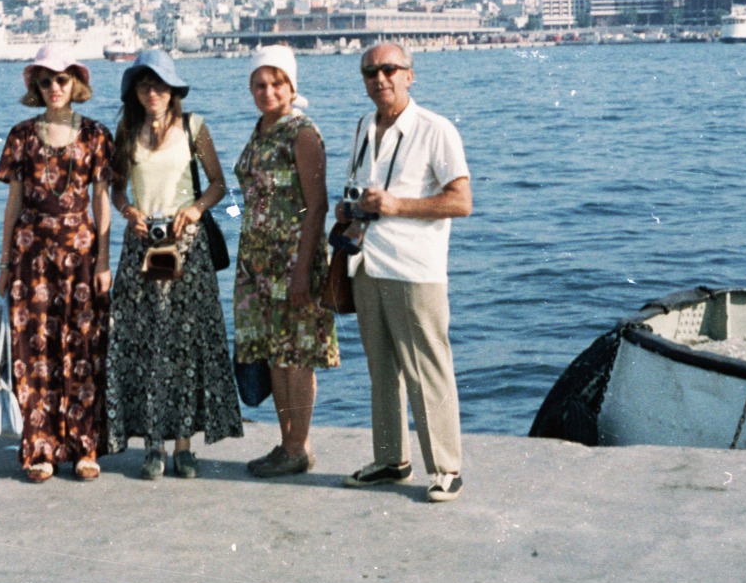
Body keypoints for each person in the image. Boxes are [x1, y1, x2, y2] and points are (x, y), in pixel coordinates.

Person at [338, 43, 472, 504]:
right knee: (382, 369)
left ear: (410, 75)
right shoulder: (363, 127)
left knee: (427, 369)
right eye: (371, 72)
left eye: (390, 69)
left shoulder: (436, 130)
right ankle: (391, 460)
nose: (381, 79)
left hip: (415, 269)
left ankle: (446, 468)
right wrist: (350, 209)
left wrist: (396, 206)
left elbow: (461, 201)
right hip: (368, 262)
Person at [105, 49, 242, 478]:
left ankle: (183, 445)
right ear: (136, 91)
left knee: (186, 349)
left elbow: (220, 184)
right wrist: (129, 212)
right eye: (146, 84)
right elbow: (117, 191)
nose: (153, 92)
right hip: (142, 248)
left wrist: (197, 209)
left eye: (160, 85)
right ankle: (152, 445)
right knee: (146, 345)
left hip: (187, 249)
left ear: (173, 90)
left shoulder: (194, 127)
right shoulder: (126, 129)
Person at [0, 44, 114, 482]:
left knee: (84, 346)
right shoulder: (22, 134)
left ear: (76, 83)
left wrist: (104, 261)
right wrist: (5, 262)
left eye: (62, 79)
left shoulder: (97, 135)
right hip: (31, 256)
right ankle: (40, 448)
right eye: (45, 81)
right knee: (34, 350)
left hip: (81, 256)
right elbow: (13, 202)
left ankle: (85, 445)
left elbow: (101, 203)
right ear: (35, 87)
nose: (54, 88)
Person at [234, 46, 339, 478]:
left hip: (295, 259)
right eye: (259, 84)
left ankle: (298, 446)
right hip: (258, 263)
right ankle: (287, 444)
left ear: (292, 87)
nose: (268, 91)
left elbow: (316, 207)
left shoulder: (302, 133)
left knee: (296, 354)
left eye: (277, 83)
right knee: (273, 354)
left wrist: (302, 270)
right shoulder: (260, 131)